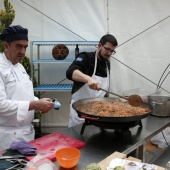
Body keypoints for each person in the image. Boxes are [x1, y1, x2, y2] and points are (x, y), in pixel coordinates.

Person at [0, 25, 54, 147]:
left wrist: (39, 102)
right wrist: (34, 104)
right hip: (5, 138)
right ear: (6, 45)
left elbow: (23, 95)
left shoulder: (20, 66)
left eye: (25, 47)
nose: (23, 52)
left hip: (26, 134)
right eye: (18, 46)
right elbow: (1, 104)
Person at [66, 34, 118, 127]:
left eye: (112, 51)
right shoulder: (85, 57)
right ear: (99, 46)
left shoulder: (107, 64)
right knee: (78, 138)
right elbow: (70, 72)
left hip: (99, 113)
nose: (109, 53)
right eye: (107, 49)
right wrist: (88, 79)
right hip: (80, 111)